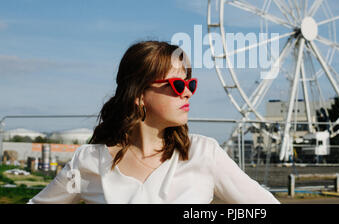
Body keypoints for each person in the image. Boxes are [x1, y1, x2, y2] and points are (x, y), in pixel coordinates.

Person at [28, 40, 280, 204]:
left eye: (190, 83)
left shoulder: (204, 154)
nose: (188, 92)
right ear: (138, 95)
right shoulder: (88, 161)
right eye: (177, 84)